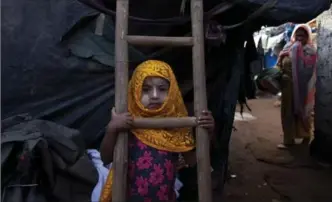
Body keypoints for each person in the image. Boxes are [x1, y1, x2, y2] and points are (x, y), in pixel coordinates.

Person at [99, 60, 215, 201]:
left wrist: (207, 133)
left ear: (172, 92)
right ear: (135, 91)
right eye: (146, 89)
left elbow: (191, 161)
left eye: (162, 89)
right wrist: (112, 128)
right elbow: (106, 157)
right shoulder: (127, 122)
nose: (154, 95)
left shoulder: (175, 125)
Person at [276, 24, 317, 149]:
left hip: (304, 87)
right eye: (297, 35)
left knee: (304, 111)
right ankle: (288, 139)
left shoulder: (310, 51)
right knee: (287, 111)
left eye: (303, 35)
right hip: (287, 85)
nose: (299, 38)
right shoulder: (287, 47)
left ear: (307, 36)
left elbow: (309, 70)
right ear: (293, 35)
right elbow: (279, 65)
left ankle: (306, 136)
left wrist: (298, 55)